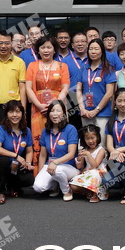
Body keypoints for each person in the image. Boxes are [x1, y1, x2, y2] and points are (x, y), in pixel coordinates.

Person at [26, 36, 70, 169]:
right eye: (43, 47)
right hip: (38, 107)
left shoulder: (62, 66)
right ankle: (38, 173)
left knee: (59, 137)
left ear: (54, 49)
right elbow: (28, 88)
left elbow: (65, 88)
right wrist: (39, 105)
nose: (46, 50)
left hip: (58, 107)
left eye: (49, 47)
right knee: (38, 139)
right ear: (38, 50)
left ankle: (60, 169)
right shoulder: (32, 66)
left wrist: (55, 104)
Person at [0, 100, 34, 204]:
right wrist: (16, 156)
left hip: (14, 166)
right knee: (4, 160)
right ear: (6, 114)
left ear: (22, 114)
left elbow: (29, 151)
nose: (14, 115)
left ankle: (11, 186)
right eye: (11, 112)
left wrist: (28, 163)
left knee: (29, 179)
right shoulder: (0, 129)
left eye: (18, 111)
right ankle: (0, 191)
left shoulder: (26, 131)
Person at [33, 100, 79, 200]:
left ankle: (66, 190)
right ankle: (55, 185)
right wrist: (41, 172)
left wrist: (55, 162)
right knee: (38, 187)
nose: (55, 114)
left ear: (64, 113)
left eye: (58, 111)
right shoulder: (45, 130)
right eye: (52, 111)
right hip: (50, 166)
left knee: (57, 170)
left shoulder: (70, 129)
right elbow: (43, 155)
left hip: (68, 166)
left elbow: (71, 154)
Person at [76, 39, 116, 141]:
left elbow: (109, 93)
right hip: (86, 113)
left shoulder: (108, 69)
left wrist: (96, 110)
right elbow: (78, 89)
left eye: (96, 49)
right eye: (91, 49)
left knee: (101, 142)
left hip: (102, 113)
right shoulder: (83, 68)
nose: (93, 52)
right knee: (87, 141)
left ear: (102, 51)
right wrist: (82, 108)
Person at [69, 125, 108, 202]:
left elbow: (95, 165)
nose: (90, 141)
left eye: (92, 138)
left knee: (94, 174)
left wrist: (88, 154)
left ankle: (96, 193)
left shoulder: (101, 150)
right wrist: (79, 159)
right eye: (87, 139)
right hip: (88, 172)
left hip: (99, 173)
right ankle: (89, 191)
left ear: (97, 137)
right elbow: (79, 166)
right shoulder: (85, 150)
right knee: (73, 185)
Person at [61, 32, 89, 129]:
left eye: (83, 41)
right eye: (77, 42)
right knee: (74, 127)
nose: (80, 44)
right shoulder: (65, 61)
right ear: (72, 45)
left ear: (87, 44)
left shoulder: (92, 59)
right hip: (71, 99)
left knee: (89, 128)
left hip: (89, 96)